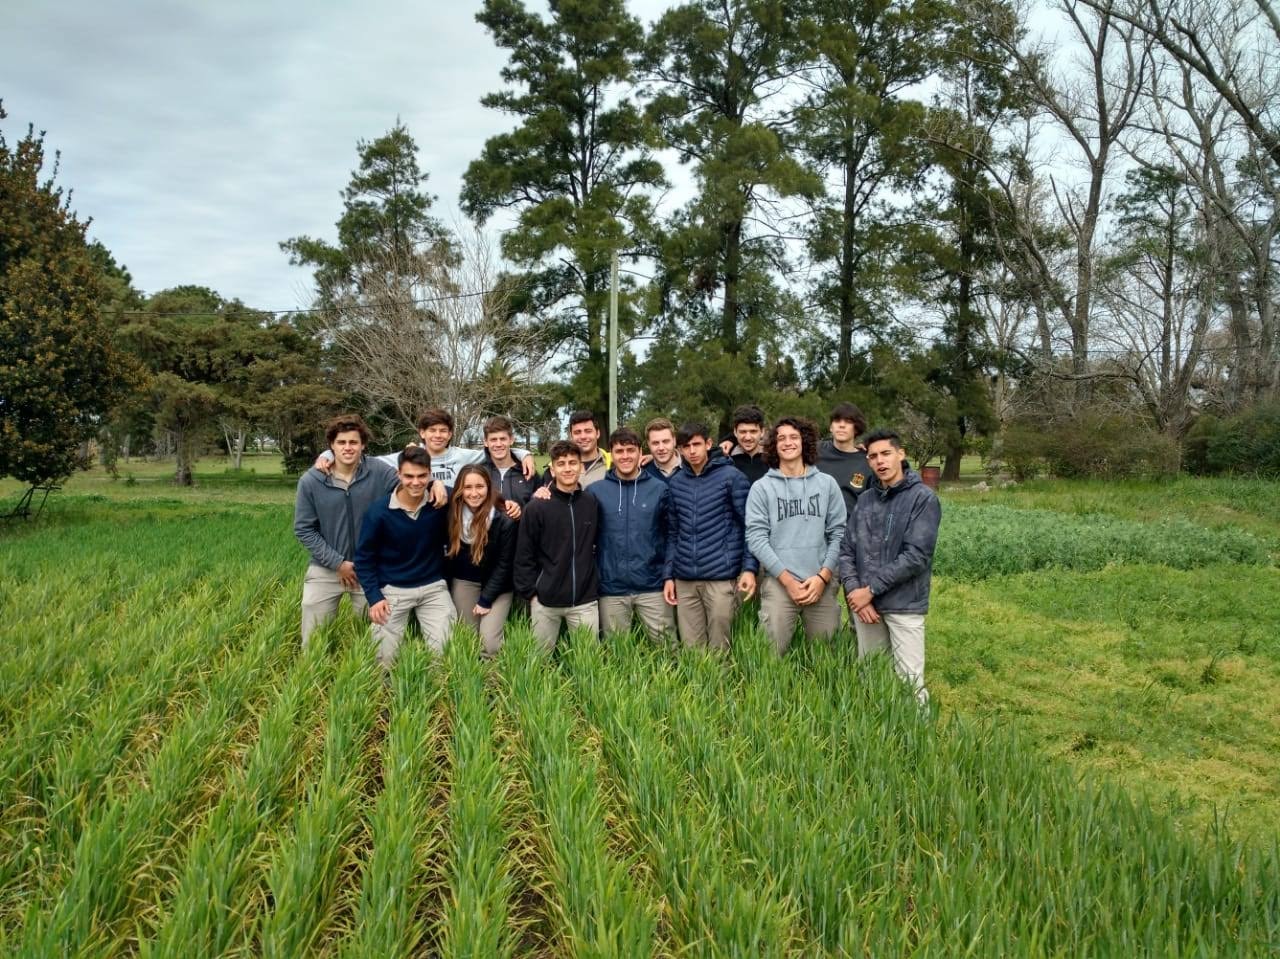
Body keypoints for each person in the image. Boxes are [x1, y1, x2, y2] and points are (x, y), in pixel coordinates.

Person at [837, 428, 942, 704]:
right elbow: (846, 550)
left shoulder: (922, 498)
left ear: (900, 454)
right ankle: (877, 727)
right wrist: (856, 593)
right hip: (866, 607)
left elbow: (916, 556)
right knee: (871, 677)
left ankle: (916, 729)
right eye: (873, 457)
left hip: (904, 604)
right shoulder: (865, 500)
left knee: (910, 682)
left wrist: (869, 590)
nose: (880, 461)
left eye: (886, 453)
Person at [294, 414, 399, 645]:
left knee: (375, 634)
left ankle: (370, 666)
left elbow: (412, 485)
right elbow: (304, 529)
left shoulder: (380, 472)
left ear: (363, 445)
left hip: (369, 568)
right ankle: (313, 665)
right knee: (314, 635)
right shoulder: (311, 481)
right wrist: (338, 563)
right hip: (325, 568)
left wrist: (435, 484)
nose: (348, 447)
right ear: (331, 446)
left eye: (353, 442)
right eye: (341, 442)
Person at [745, 417, 847, 655]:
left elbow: (839, 533)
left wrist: (822, 578)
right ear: (774, 445)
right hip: (779, 581)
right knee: (769, 655)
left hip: (820, 582)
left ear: (804, 442)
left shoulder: (827, 484)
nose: (787, 442)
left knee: (826, 657)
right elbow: (756, 539)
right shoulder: (762, 488)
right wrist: (788, 582)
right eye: (781, 438)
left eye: (794, 437)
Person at [354, 446, 456, 667]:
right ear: (398, 474)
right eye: (409, 476)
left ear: (430, 474)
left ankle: (436, 686)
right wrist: (374, 597)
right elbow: (363, 559)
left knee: (446, 652)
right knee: (382, 659)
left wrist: (509, 505)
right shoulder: (379, 512)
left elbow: (475, 492)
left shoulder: (439, 502)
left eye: (422, 476)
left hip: (433, 588)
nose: (416, 482)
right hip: (394, 590)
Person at [663, 422, 757, 650]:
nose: (692, 451)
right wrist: (668, 575)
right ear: (680, 450)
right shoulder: (676, 483)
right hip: (685, 579)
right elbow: (673, 532)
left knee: (720, 647)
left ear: (708, 444)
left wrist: (749, 568)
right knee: (692, 650)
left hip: (721, 577)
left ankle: (723, 676)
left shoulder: (732, 477)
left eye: (696, 444)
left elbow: (751, 526)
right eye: (686, 447)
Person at [317, 408, 536, 497]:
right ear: (422, 433)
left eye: (443, 431)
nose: (437, 435)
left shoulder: (465, 456)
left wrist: (524, 453)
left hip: (453, 524)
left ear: (450, 434)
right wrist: (329, 455)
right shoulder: (408, 456)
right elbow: (364, 459)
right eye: (432, 430)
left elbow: (497, 448)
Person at [515, 440, 601, 651]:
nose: (568, 468)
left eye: (573, 463)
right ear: (552, 470)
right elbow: (524, 554)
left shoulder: (591, 503)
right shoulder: (537, 507)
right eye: (561, 464)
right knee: (540, 660)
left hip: (584, 600)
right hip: (545, 601)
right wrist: (531, 594)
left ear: (581, 467)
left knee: (588, 660)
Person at [596, 427, 674, 642]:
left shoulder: (659, 489)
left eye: (631, 450)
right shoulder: (596, 491)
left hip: (653, 585)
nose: (625, 456)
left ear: (640, 452)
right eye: (619, 451)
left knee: (667, 648)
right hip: (611, 587)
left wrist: (667, 575)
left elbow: (672, 535)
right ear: (611, 455)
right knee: (616, 651)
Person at [445, 464, 517, 657]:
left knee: (489, 643)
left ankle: (494, 673)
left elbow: (505, 565)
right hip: (465, 581)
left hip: (498, 586)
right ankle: (470, 673)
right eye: (468, 487)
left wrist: (486, 599)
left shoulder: (504, 520)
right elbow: (425, 485)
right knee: (467, 640)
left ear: (488, 488)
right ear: (459, 490)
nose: (474, 493)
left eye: (480, 486)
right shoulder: (452, 514)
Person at [816, 401, 872, 519]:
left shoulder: (867, 461)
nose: (841, 425)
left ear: (856, 428)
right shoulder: (815, 451)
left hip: (850, 527)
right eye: (837, 421)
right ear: (831, 427)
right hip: (815, 524)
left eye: (848, 421)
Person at [480, 414, 537, 518]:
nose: (498, 444)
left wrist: (521, 514)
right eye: (493, 439)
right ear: (486, 442)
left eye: (503, 439)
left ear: (511, 440)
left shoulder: (528, 471)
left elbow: (539, 510)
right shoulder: (479, 474)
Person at [542, 410, 611, 488]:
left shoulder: (613, 464)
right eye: (577, 432)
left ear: (597, 433)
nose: (583, 437)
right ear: (571, 436)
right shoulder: (554, 470)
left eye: (588, 431)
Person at [724, 404, 768, 483]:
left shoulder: (774, 458)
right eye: (743, 432)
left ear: (762, 432)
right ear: (735, 432)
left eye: (753, 431)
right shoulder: (725, 459)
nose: (748, 437)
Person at [641, 416, 682, 481]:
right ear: (648, 444)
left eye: (665, 441)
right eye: (655, 443)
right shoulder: (641, 472)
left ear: (674, 441)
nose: (661, 448)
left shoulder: (691, 466)